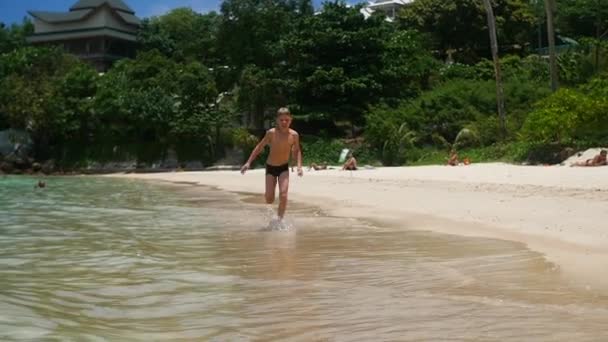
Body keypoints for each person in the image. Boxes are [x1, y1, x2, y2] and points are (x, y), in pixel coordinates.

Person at [241, 107, 303, 219]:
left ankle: (279, 220)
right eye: (281, 120)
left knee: (283, 194)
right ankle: (269, 202)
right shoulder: (271, 133)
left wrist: (299, 166)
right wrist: (248, 162)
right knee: (269, 199)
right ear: (277, 120)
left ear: (290, 120)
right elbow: (259, 147)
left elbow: (297, 150)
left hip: (284, 167)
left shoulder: (294, 135)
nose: (284, 122)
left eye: (287, 120)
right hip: (270, 167)